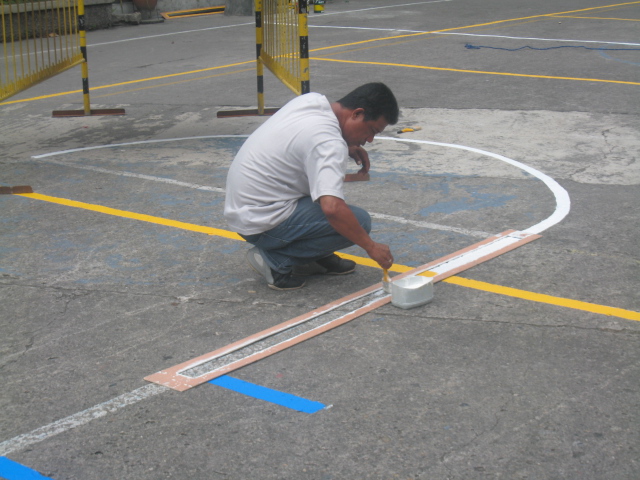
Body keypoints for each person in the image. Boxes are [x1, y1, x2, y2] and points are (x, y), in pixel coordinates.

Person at [224, 82, 399, 290]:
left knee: (327, 200)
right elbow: (332, 209)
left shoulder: (312, 101)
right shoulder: (328, 143)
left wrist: (347, 143)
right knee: (359, 222)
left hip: (245, 206)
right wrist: (371, 247)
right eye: (371, 130)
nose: (369, 140)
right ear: (357, 113)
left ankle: (314, 257)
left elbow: (304, 140)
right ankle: (276, 260)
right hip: (261, 221)